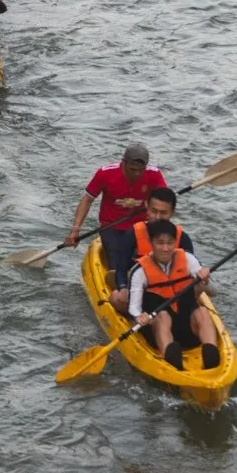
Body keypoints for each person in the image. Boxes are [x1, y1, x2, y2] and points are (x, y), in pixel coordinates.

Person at [63, 142, 169, 286]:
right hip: (112, 226)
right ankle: (120, 284)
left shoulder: (154, 174)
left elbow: (165, 202)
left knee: (149, 259)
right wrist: (75, 229)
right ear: (123, 163)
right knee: (118, 262)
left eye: (140, 170)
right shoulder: (105, 173)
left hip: (142, 226)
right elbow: (87, 200)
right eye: (132, 169)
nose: (137, 174)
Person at [130, 219, 220, 371]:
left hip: (186, 325)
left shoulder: (188, 259)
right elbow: (133, 307)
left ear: (175, 242)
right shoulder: (139, 271)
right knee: (163, 316)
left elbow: (214, 292)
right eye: (160, 243)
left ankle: (211, 355)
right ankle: (172, 360)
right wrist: (139, 316)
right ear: (151, 243)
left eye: (170, 242)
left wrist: (205, 280)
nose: (165, 248)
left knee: (202, 312)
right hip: (158, 329)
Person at [108, 186, 196, 315]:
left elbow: (190, 273)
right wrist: (123, 288)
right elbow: (121, 269)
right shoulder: (133, 234)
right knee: (117, 298)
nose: (158, 217)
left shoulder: (183, 239)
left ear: (172, 213)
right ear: (146, 207)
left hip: (171, 294)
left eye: (163, 213)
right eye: (154, 211)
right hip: (141, 292)